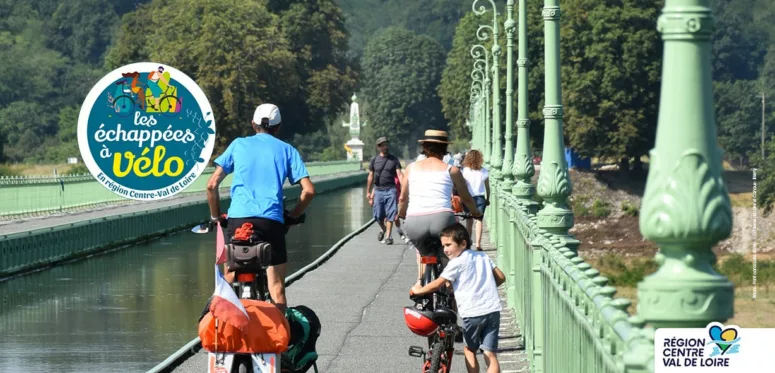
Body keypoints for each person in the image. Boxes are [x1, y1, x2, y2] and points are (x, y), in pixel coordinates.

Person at [206, 103, 316, 314]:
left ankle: (219, 333)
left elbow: (211, 185)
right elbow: (309, 191)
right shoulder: (287, 150)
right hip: (271, 222)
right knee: (276, 287)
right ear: (278, 127)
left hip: (238, 221)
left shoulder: (238, 145)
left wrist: (215, 217)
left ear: (253, 124)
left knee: (228, 279)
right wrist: (293, 216)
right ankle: (279, 341)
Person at [409, 222, 506, 373]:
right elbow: (501, 277)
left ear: (463, 244)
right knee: (490, 353)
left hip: (472, 313)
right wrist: (486, 287)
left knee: (470, 350)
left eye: (448, 245)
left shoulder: (456, 262)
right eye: (444, 246)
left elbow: (437, 284)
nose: (445, 249)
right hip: (492, 310)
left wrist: (418, 291)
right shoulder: (482, 256)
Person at [397, 129, 481, 283]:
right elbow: (466, 198)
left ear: (425, 148)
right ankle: (449, 286)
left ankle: (420, 283)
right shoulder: (452, 170)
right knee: (448, 254)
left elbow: (403, 198)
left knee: (422, 252)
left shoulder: (411, 168)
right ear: (444, 149)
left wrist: (401, 214)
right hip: (442, 219)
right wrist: (476, 212)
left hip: (415, 221)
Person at [366, 136, 403, 245]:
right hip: (378, 191)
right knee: (378, 216)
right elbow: (370, 176)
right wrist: (368, 191)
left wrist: (404, 187)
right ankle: (383, 228)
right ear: (379, 147)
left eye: (387, 144)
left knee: (391, 214)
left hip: (391, 190)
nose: (386, 146)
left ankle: (388, 237)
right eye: (383, 145)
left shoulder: (394, 159)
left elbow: (400, 175)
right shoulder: (374, 160)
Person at [461, 149, 490, 250]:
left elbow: (463, 186)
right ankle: (478, 243)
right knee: (479, 220)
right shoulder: (484, 171)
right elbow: (487, 187)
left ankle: (468, 242)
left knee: (469, 221)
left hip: (468, 197)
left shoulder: (465, 171)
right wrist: (487, 199)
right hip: (480, 197)